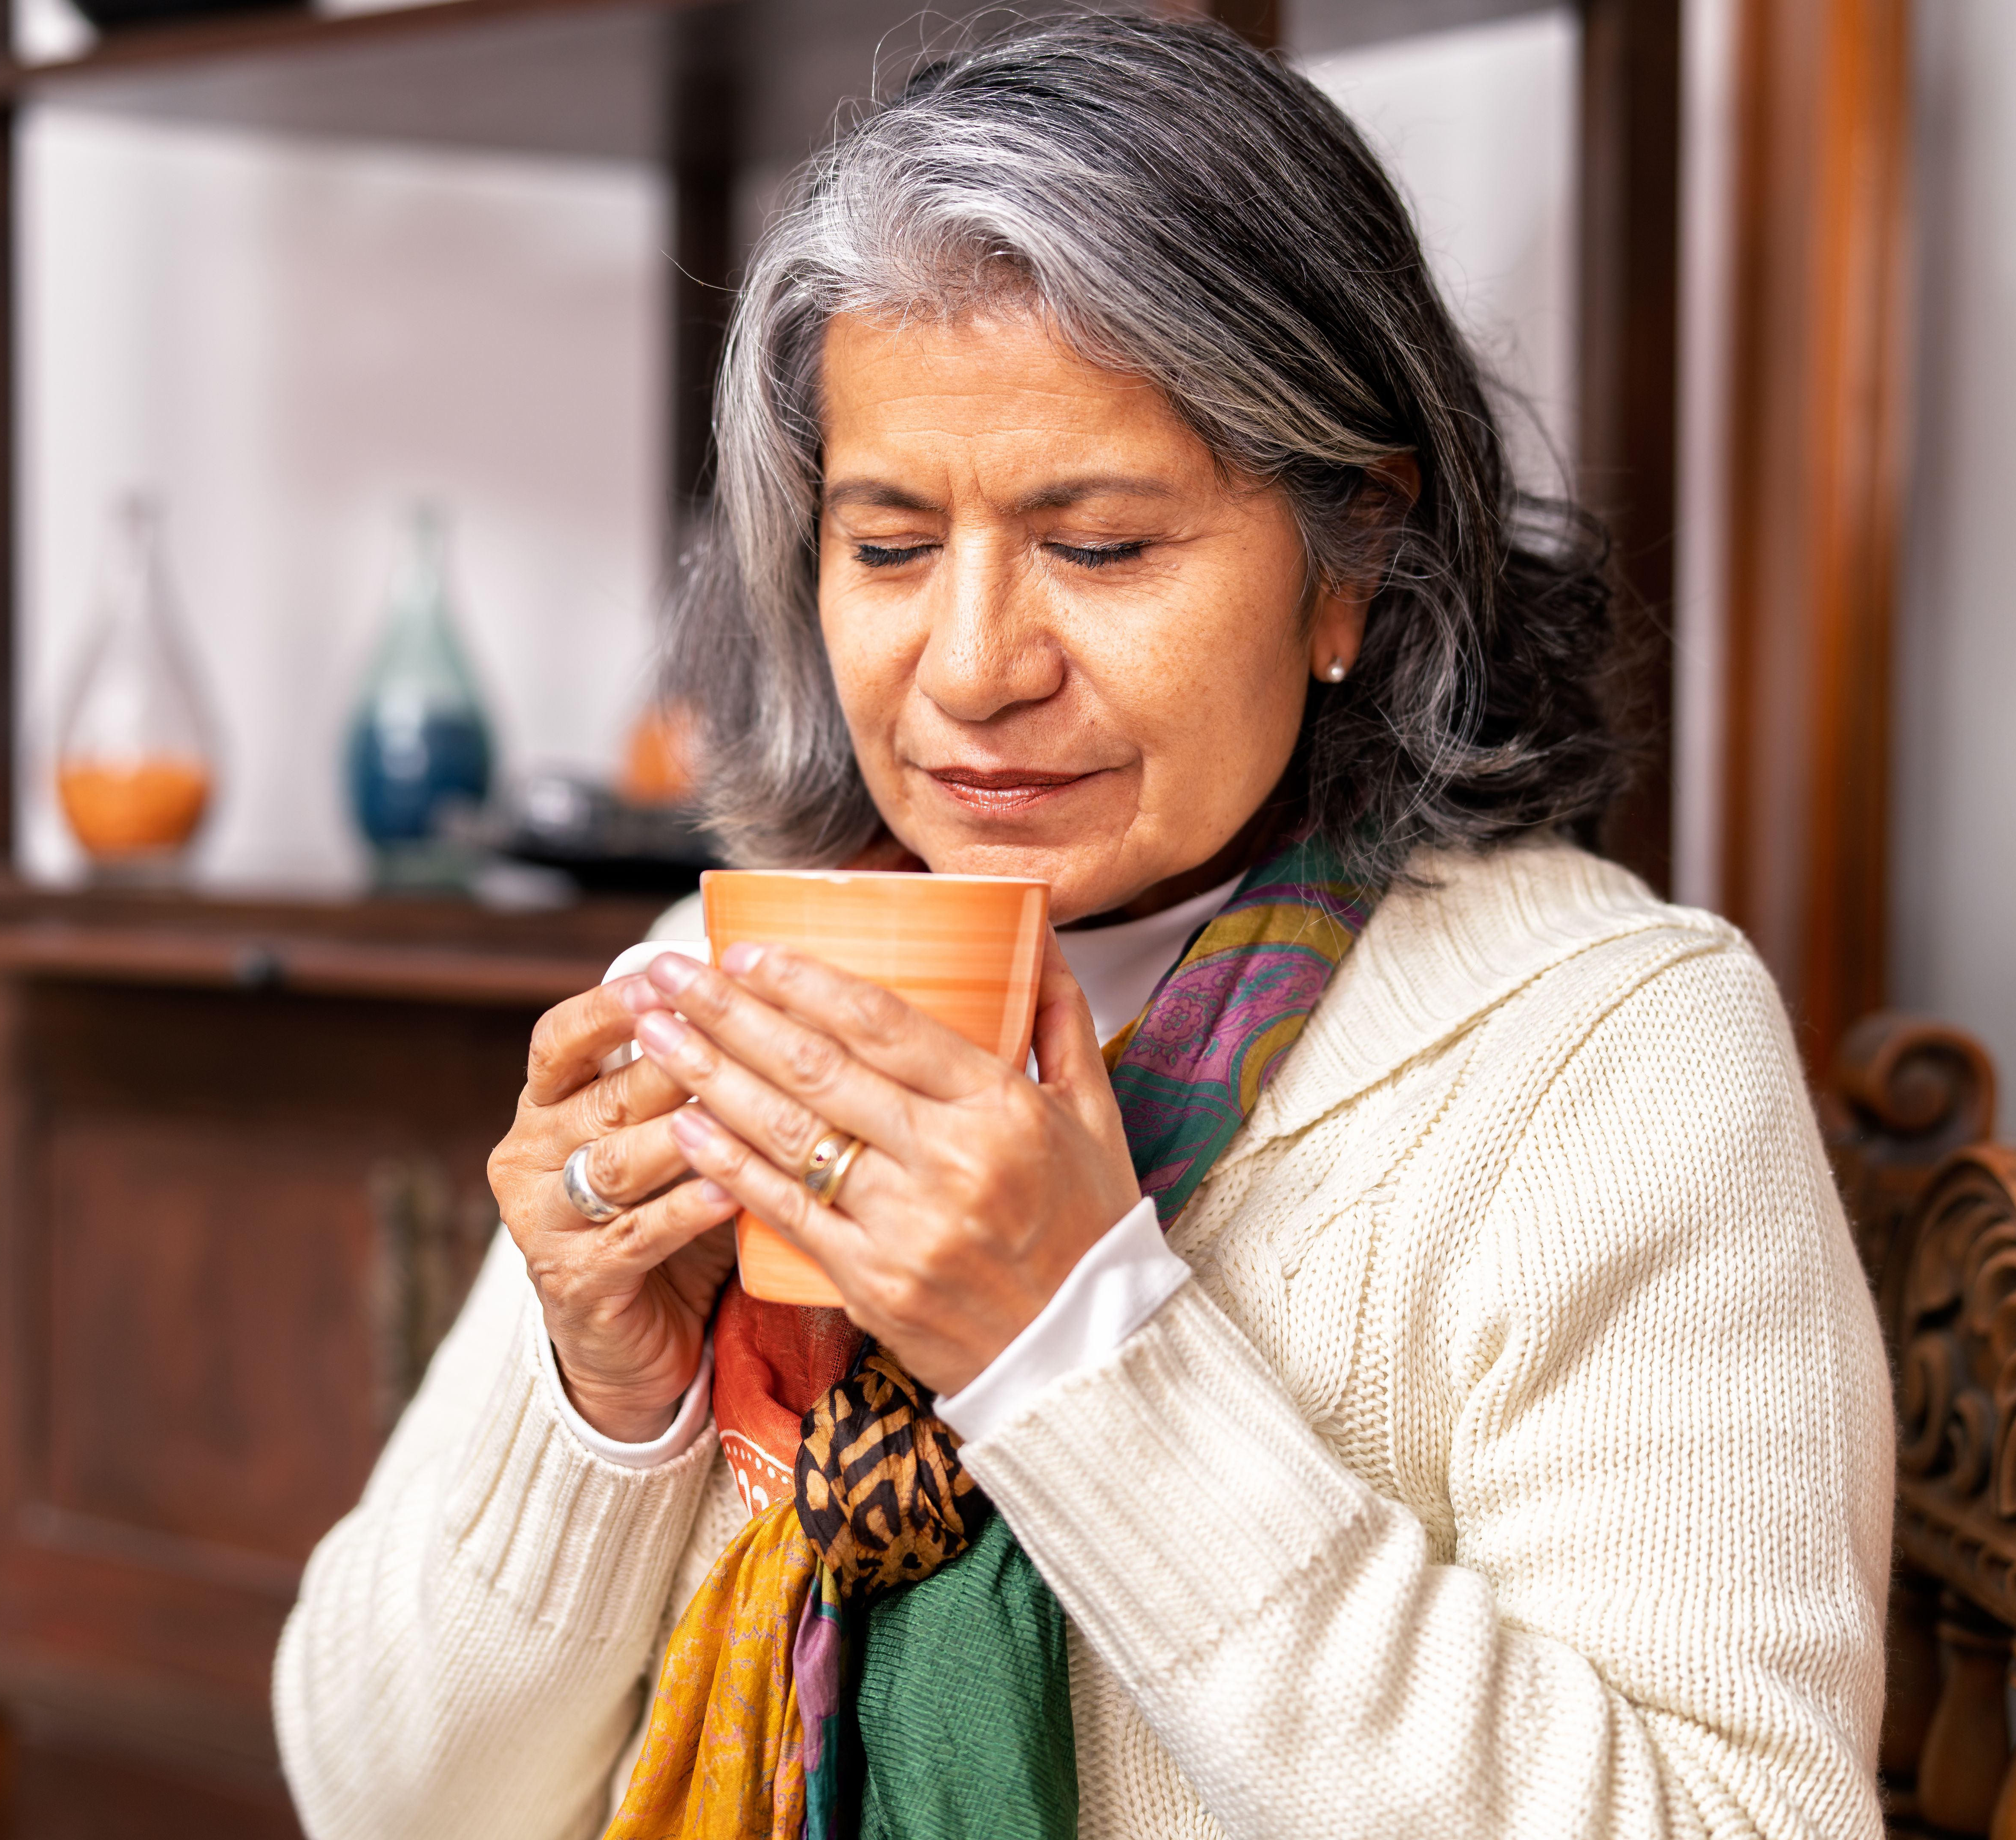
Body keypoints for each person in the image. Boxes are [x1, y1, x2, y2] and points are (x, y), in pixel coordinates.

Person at [273, 14, 1892, 1839]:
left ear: (1356, 553)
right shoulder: (720, 988)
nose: (971, 671)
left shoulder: (1604, 1060)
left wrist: (1074, 1346)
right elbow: (379, 1797)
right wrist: (609, 1401)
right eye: (887, 548)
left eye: (1102, 546)